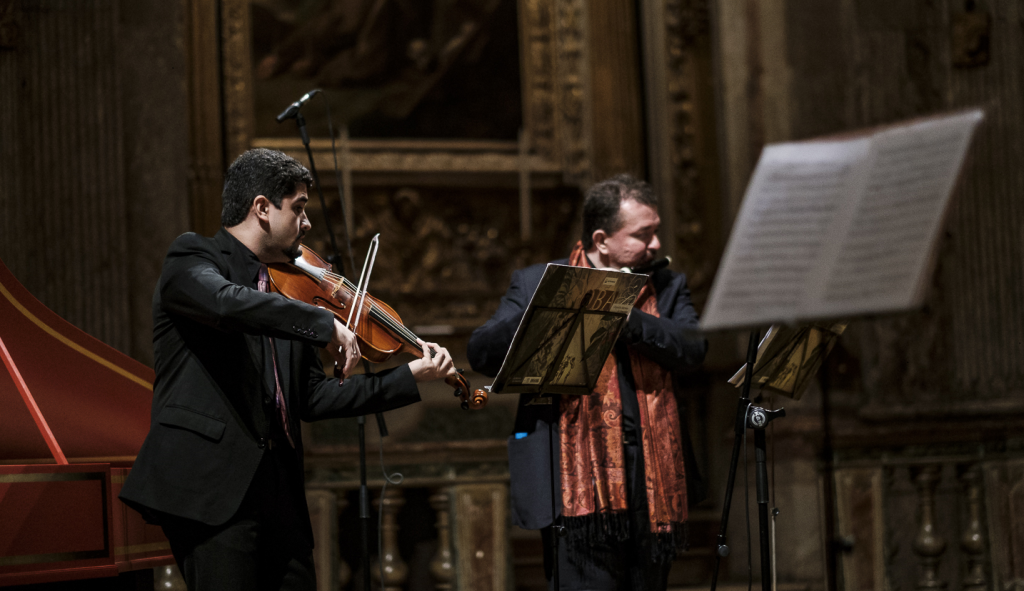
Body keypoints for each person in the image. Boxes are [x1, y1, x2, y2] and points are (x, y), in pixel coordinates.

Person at [120, 148, 456, 591]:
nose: (308, 222)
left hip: (280, 499)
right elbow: (225, 302)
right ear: (262, 208)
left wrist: (408, 377)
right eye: (298, 208)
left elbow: (312, 398)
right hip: (213, 492)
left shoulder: (292, 294)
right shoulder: (193, 259)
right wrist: (323, 322)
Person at [468, 174, 708, 590]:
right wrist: (545, 311)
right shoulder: (535, 281)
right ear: (602, 239)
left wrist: (626, 316)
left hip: (651, 478)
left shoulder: (666, 286)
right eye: (642, 234)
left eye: (656, 232)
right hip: (573, 482)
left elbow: (693, 349)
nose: (655, 245)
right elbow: (481, 352)